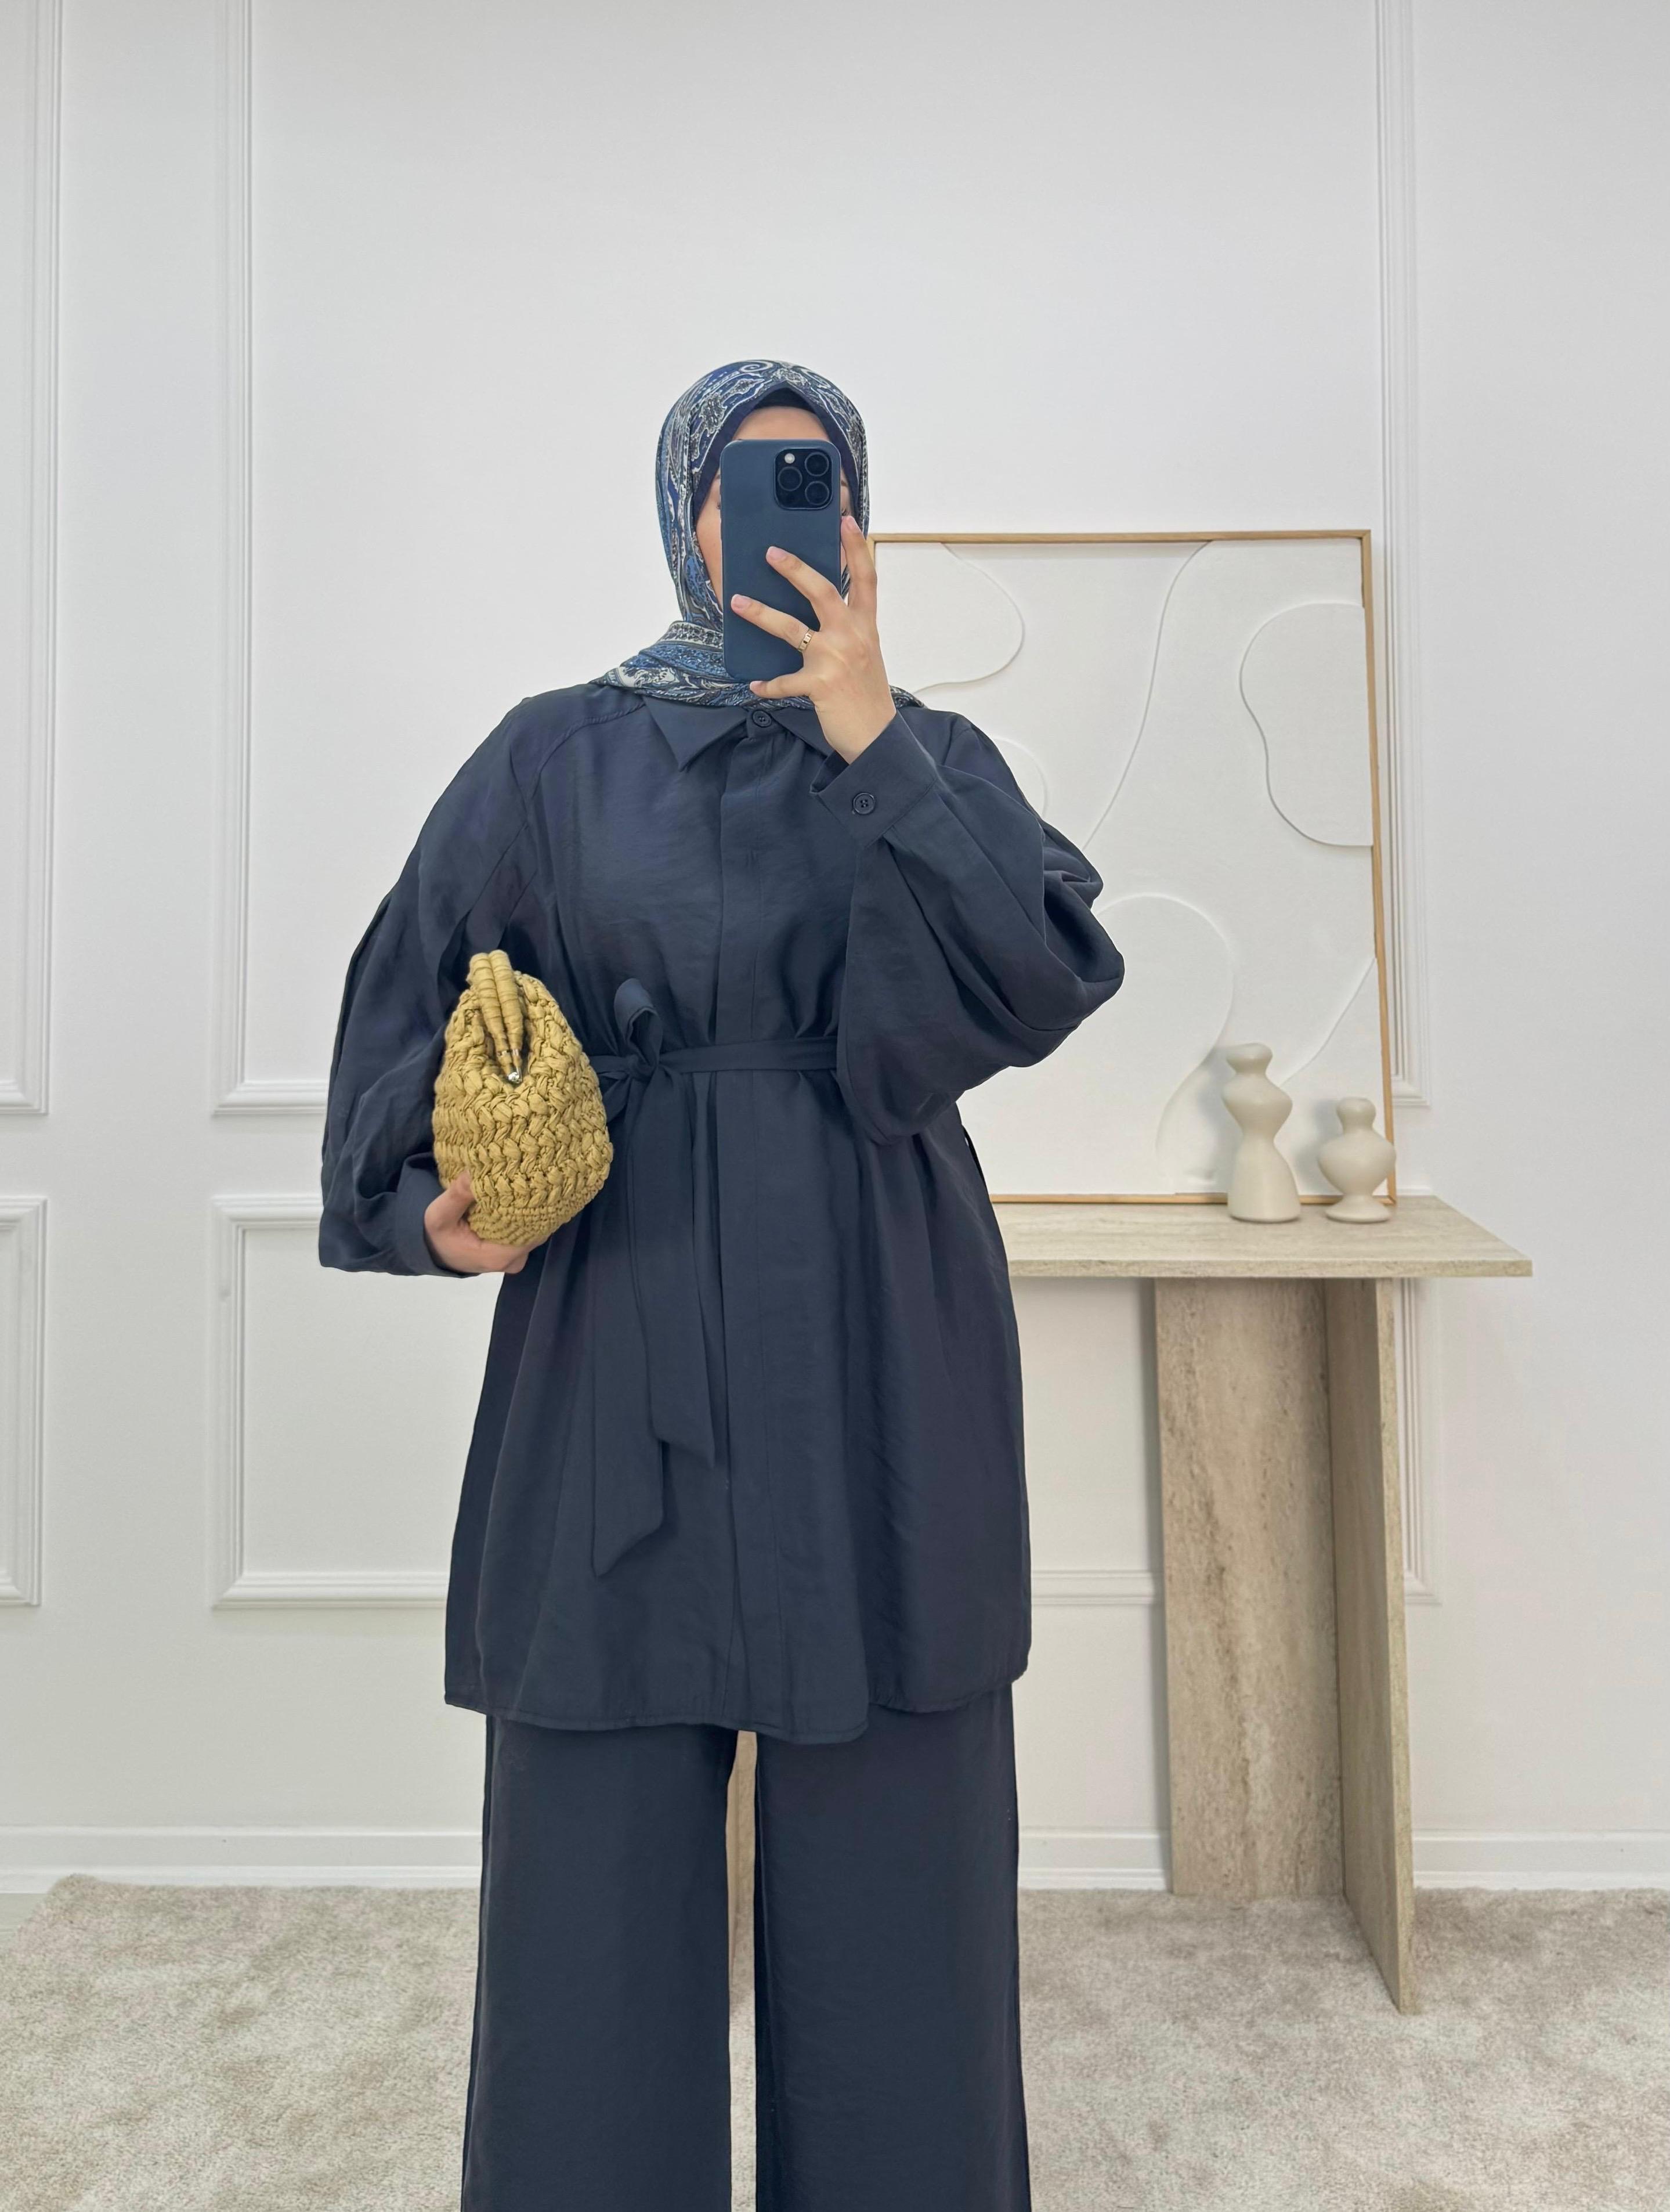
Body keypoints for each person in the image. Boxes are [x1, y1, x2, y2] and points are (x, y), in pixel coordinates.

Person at [318, 357, 1126, 2211]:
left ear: (861, 519)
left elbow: (1043, 968)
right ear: (680, 508)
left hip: (878, 1333)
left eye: (813, 477)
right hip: (619, 1327)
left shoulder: (928, 757)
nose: (772, 515)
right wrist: (433, 1210)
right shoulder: (552, 758)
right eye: (741, 480)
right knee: (591, 1879)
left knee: (902, 1849)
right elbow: (403, 998)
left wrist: (871, 735)